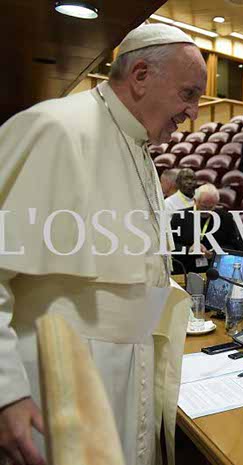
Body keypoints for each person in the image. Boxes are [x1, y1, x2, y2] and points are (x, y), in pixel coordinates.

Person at [0, 23, 206, 465]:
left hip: (127, 376)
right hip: (53, 386)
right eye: (188, 94)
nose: (193, 112)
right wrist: (5, 393)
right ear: (141, 75)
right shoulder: (55, 128)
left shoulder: (140, 150)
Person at [170, 184, 241, 274]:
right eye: (203, 206)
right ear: (195, 201)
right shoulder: (179, 217)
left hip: (214, 269)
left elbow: (234, 246)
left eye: (210, 207)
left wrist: (215, 252)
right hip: (184, 269)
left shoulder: (225, 218)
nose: (206, 211)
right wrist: (189, 249)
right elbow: (170, 245)